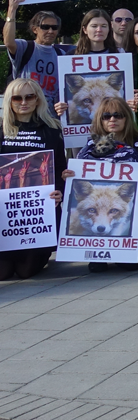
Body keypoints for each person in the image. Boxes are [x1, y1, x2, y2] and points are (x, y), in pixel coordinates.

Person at [73, 97, 138, 271]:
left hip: (134, 217)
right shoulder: (88, 148)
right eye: (106, 116)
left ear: (126, 117)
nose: (112, 120)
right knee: (96, 268)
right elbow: (77, 183)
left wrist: (130, 168)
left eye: (118, 115)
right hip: (97, 215)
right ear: (99, 120)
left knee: (131, 265)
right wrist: (69, 175)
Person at [0, 79, 64, 280]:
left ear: (38, 100)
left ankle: (40, 253)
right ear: (9, 101)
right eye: (17, 98)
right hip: (7, 215)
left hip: (39, 213)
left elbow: (60, 168)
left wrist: (59, 192)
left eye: (29, 96)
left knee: (25, 272)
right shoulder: (1, 131)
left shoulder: (51, 130)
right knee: (3, 274)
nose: (23, 102)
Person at [4, 0, 70, 108]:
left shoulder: (62, 54)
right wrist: (12, 9)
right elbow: (9, 42)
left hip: (50, 114)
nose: (50, 31)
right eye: (45, 27)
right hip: (25, 109)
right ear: (35, 29)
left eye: (54, 28)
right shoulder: (25, 47)